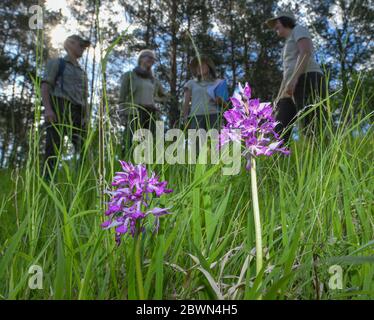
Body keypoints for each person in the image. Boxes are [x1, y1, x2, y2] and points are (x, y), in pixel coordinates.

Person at [265, 11, 327, 143]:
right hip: (290, 87)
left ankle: (324, 159)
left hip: (308, 78)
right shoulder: (286, 45)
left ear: (285, 21)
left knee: (312, 124)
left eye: (277, 23)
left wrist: (295, 78)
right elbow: (286, 73)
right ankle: (279, 161)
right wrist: (278, 99)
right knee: (280, 127)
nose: (275, 27)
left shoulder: (298, 29)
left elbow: (306, 51)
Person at [41, 34, 90, 179]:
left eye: (84, 46)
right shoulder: (57, 63)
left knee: (83, 150)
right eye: (80, 45)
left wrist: (86, 116)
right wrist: (48, 109)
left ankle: (82, 183)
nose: (82, 49)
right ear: (70, 44)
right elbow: (45, 85)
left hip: (78, 112)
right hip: (59, 107)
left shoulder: (83, 72)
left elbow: (85, 97)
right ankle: (48, 185)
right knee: (53, 150)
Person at [119, 49, 167, 151]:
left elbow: (163, 96)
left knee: (149, 144)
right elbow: (122, 97)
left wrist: (156, 100)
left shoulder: (154, 80)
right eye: (148, 56)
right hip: (134, 113)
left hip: (150, 115)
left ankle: (146, 166)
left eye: (153, 58)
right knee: (130, 142)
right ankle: (127, 165)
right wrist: (122, 115)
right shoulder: (130, 75)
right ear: (141, 59)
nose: (151, 59)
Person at [182, 55, 228, 130]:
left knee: (214, 141)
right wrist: (185, 118)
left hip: (214, 116)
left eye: (202, 64)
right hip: (196, 117)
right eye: (197, 66)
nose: (199, 67)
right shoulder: (191, 83)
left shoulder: (219, 82)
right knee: (196, 141)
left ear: (209, 67)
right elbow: (186, 103)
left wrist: (220, 101)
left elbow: (226, 105)